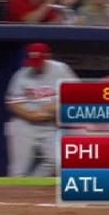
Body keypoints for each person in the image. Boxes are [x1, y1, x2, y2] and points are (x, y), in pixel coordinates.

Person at [5, 43, 78, 177]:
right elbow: (13, 104)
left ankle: (29, 188)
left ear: (48, 57)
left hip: (49, 125)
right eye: (33, 62)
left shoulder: (61, 70)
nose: (36, 66)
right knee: (18, 170)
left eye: (39, 61)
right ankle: (14, 195)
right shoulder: (21, 75)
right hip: (24, 125)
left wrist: (55, 107)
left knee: (55, 162)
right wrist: (32, 115)